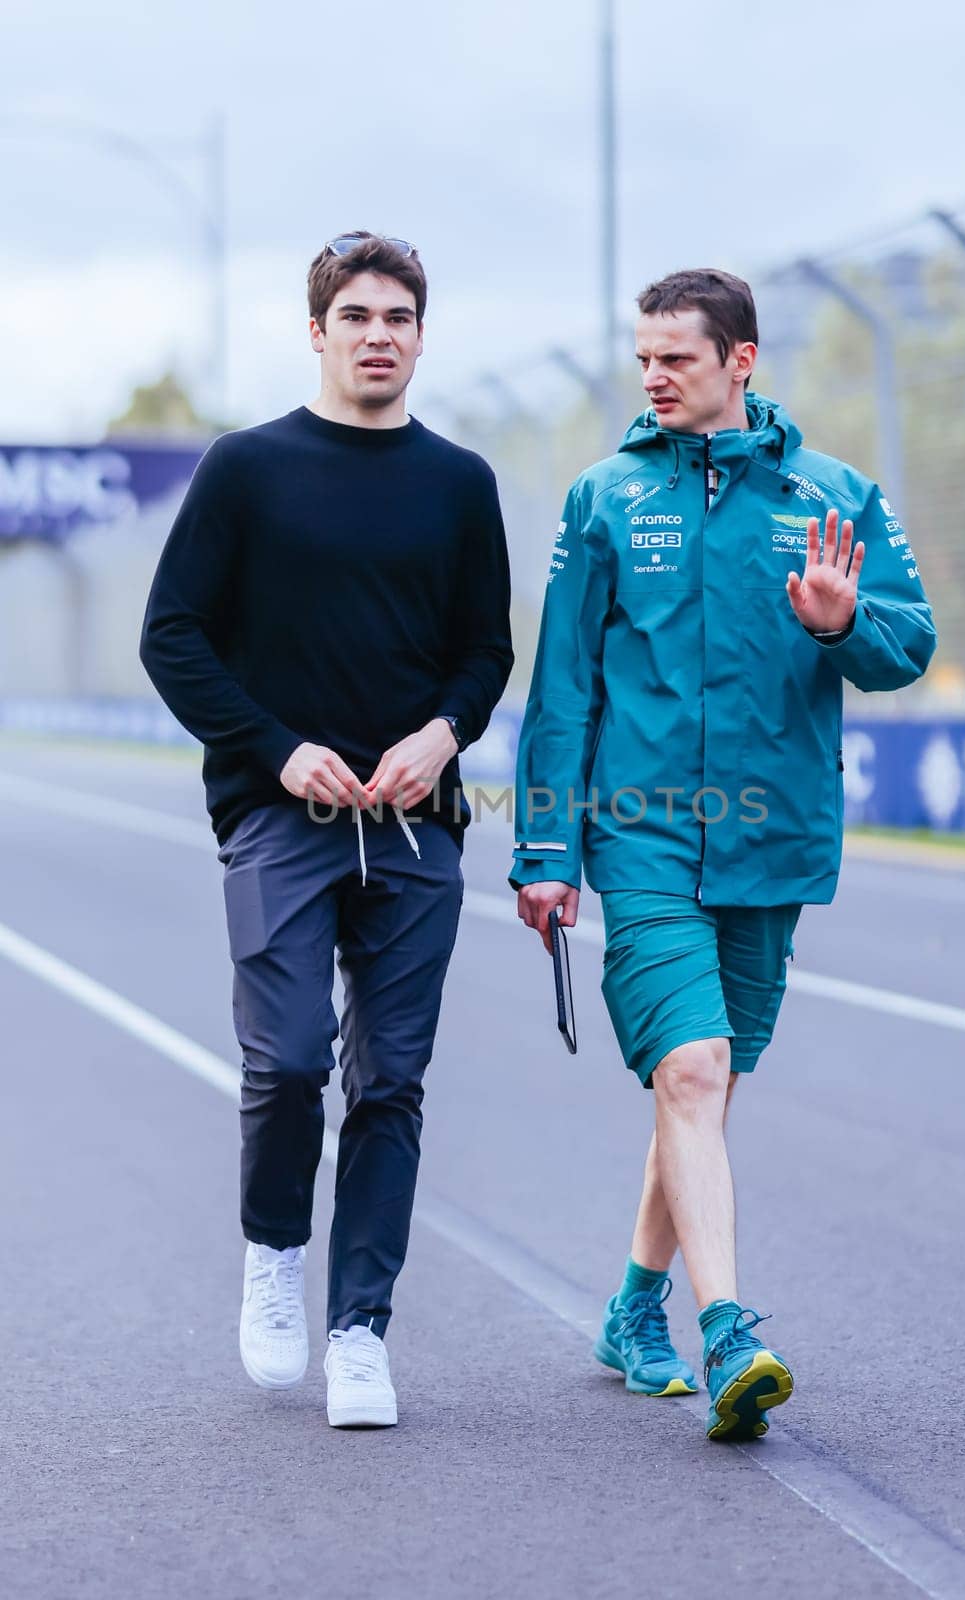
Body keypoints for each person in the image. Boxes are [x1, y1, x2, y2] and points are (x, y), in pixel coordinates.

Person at [511, 268, 935, 1441]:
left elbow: (907, 643)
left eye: (674, 358)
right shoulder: (602, 497)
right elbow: (563, 687)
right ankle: (730, 1331)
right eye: (641, 356)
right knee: (691, 1070)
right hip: (637, 837)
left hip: (772, 839)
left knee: (701, 1084)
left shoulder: (833, 494)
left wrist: (837, 622)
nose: (650, 375)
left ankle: (631, 1309)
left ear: (739, 361)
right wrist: (544, 844)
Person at [141, 231, 513, 1428]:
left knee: (391, 1084)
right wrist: (275, 746)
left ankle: (360, 1330)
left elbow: (484, 649)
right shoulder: (246, 468)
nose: (377, 334)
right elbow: (175, 635)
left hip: (415, 829)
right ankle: (272, 1254)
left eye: (398, 315)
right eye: (354, 314)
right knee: (290, 1058)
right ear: (316, 330)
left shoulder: (459, 481)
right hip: (278, 816)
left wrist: (442, 735)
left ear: (420, 333)